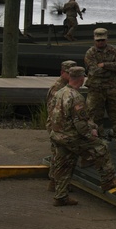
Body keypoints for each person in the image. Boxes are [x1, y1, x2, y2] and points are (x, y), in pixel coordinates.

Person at [48, 66, 116, 206]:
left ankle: (60, 196)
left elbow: (53, 114)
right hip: (71, 136)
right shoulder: (76, 97)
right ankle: (109, 180)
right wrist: (91, 134)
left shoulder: (60, 92)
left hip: (58, 135)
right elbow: (80, 123)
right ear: (81, 78)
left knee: (64, 164)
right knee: (101, 148)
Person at [84, 27, 116, 152]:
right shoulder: (90, 53)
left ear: (106, 39)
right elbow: (94, 70)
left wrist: (104, 65)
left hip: (112, 87)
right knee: (94, 116)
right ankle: (97, 141)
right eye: (98, 40)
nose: (100, 43)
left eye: (103, 40)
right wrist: (110, 67)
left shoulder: (114, 50)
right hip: (95, 88)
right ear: (94, 40)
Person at [46, 60, 77, 192]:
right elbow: (55, 111)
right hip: (57, 125)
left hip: (61, 125)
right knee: (59, 156)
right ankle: (56, 182)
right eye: (69, 73)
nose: (71, 76)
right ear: (62, 73)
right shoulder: (58, 88)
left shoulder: (68, 87)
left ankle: (57, 182)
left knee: (60, 155)